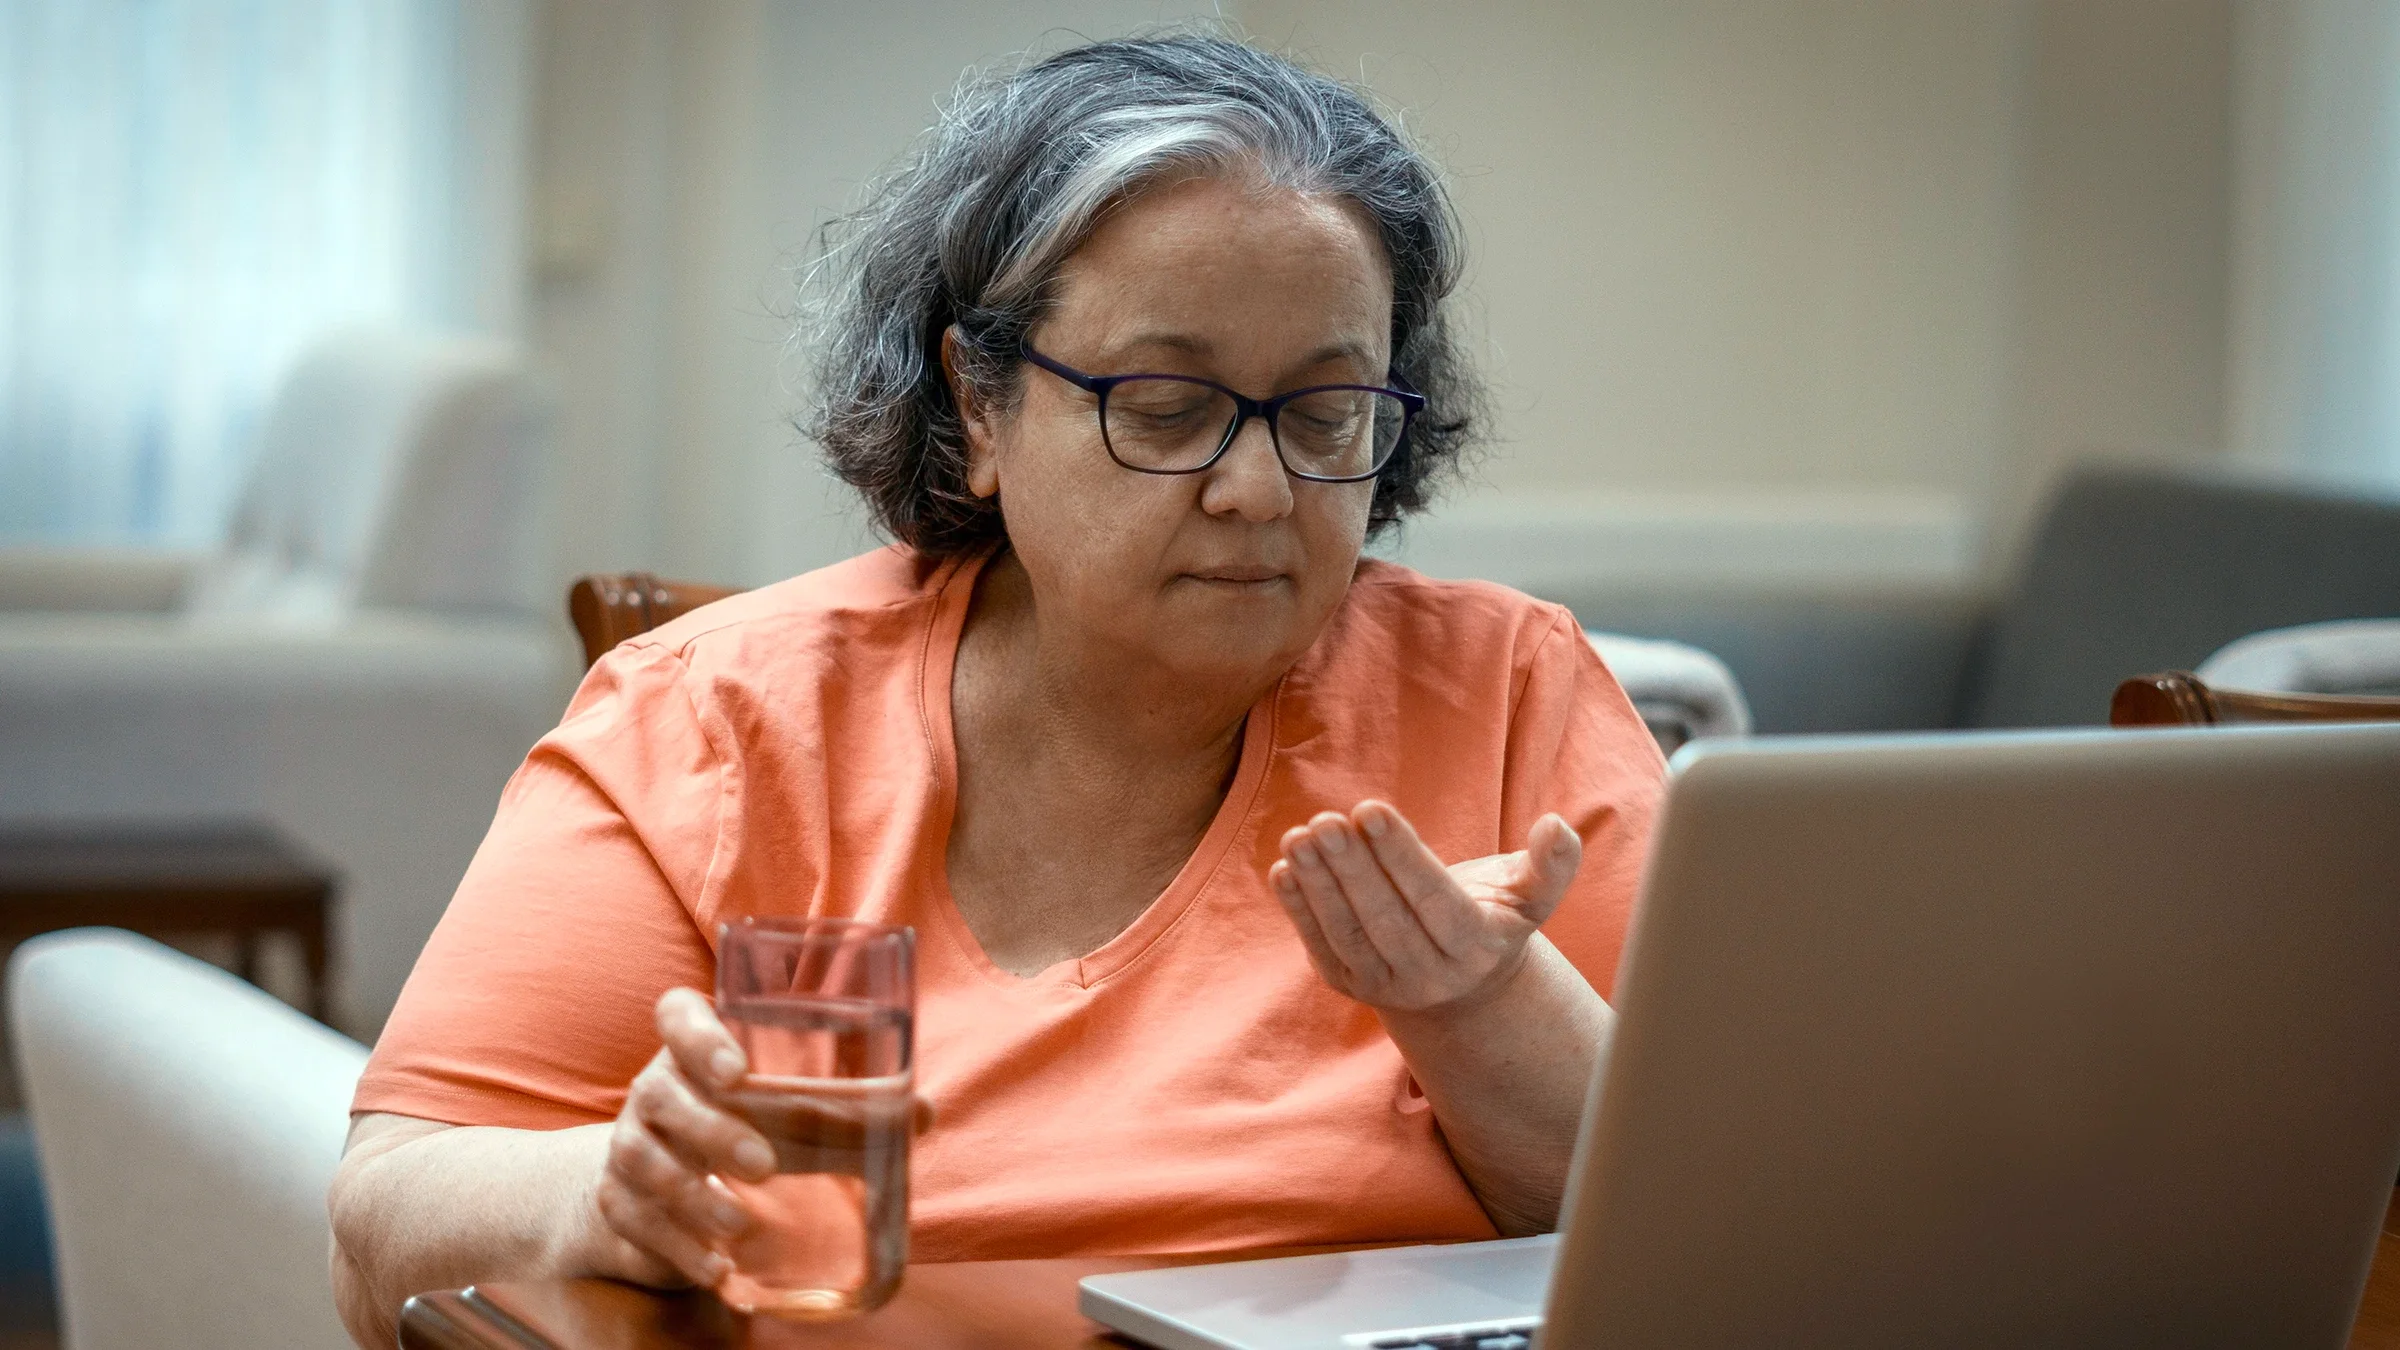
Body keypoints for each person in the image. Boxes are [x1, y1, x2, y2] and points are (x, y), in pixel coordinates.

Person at [327, 32, 1663, 1348]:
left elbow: (1720, 1233)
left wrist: (1479, 1012)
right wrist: (610, 1190)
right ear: (979, 403)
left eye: (1325, 414)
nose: (1258, 489)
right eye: (1165, 403)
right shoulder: (714, 718)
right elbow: (383, 1218)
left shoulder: (1508, 695)